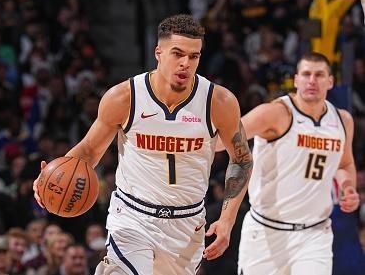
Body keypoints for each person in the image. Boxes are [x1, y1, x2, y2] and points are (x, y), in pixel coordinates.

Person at [33, 14, 253, 275]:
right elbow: (90, 149)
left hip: (187, 224)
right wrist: (52, 177)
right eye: (177, 54)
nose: (185, 63)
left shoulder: (219, 102)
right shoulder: (124, 97)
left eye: (194, 56)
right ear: (158, 53)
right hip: (132, 217)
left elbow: (241, 159)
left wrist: (227, 220)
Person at [226, 52, 359, 275]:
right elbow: (224, 138)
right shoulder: (275, 113)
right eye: (306, 74)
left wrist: (348, 187)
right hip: (266, 231)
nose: (312, 81)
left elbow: (345, 164)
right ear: (296, 80)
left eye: (319, 75)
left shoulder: (343, 120)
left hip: (314, 234)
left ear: (330, 81)